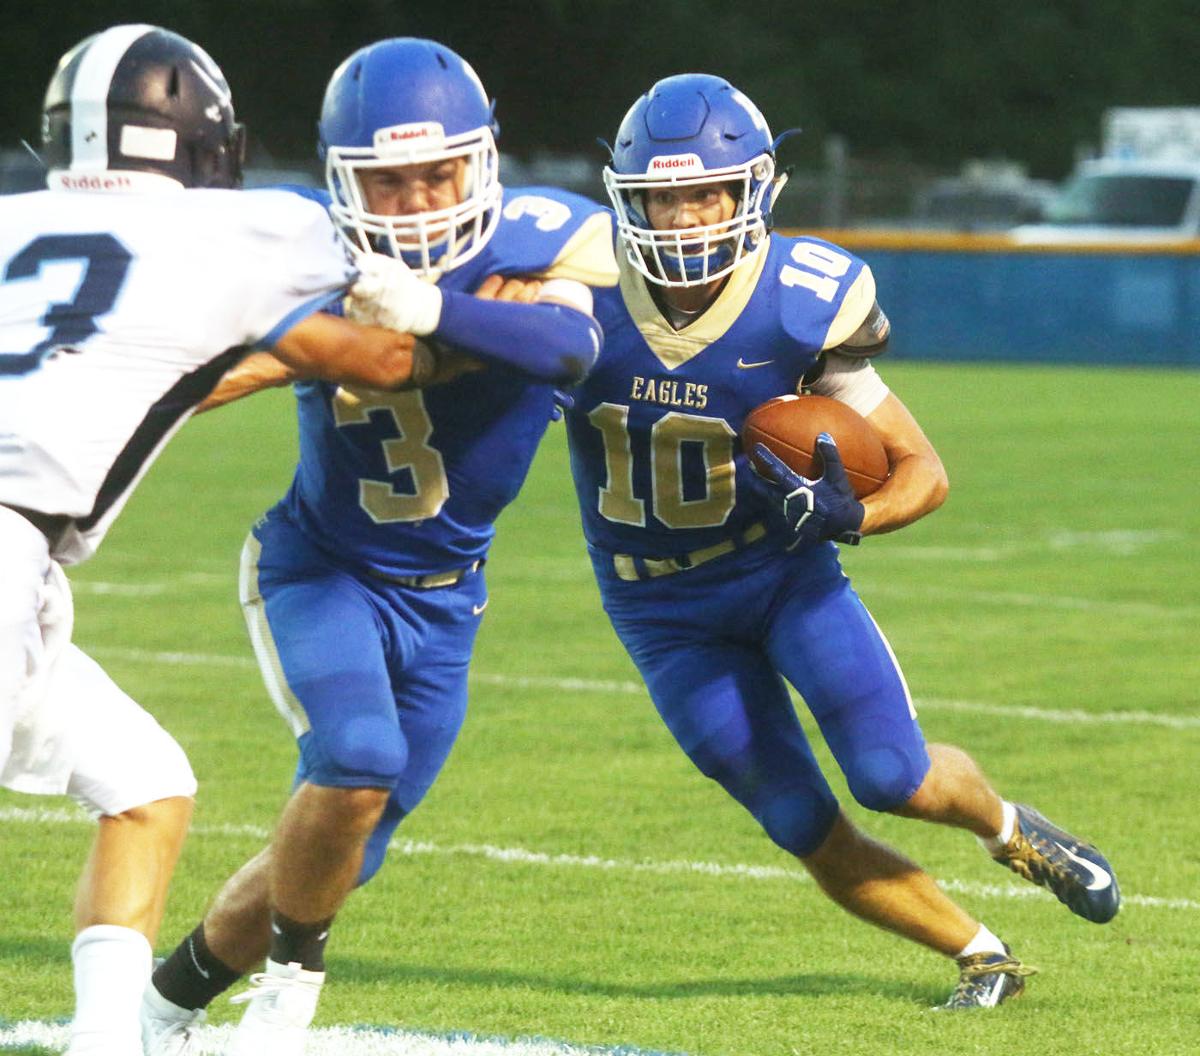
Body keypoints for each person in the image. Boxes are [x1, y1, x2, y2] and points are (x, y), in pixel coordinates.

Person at [560, 74, 1120, 1009]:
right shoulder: (575, 292)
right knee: (795, 817)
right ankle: (982, 955)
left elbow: (922, 471)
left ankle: (1011, 828)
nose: (685, 217)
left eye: (706, 191)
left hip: (781, 575)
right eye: (663, 195)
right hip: (657, 605)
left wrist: (845, 516)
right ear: (628, 197)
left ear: (754, 190)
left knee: (891, 776)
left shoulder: (797, 301)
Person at [139, 38, 617, 1056]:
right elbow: (211, 373)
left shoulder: (548, 234)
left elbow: (572, 348)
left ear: (481, 160)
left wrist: (436, 311)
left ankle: (163, 1005)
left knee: (347, 845)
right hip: (323, 571)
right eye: (387, 180)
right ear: (342, 180)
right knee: (356, 762)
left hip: (449, 599)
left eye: (438, 172)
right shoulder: (307, 255)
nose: (416, 201)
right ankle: (284, 1009)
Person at [0, 23, 458, 1056]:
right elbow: (380, 356)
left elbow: (168, 369)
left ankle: (106, 1041)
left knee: (144, 782)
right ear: (204, 140)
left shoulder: (13, 219)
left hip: (24, 566)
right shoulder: (234, 233)